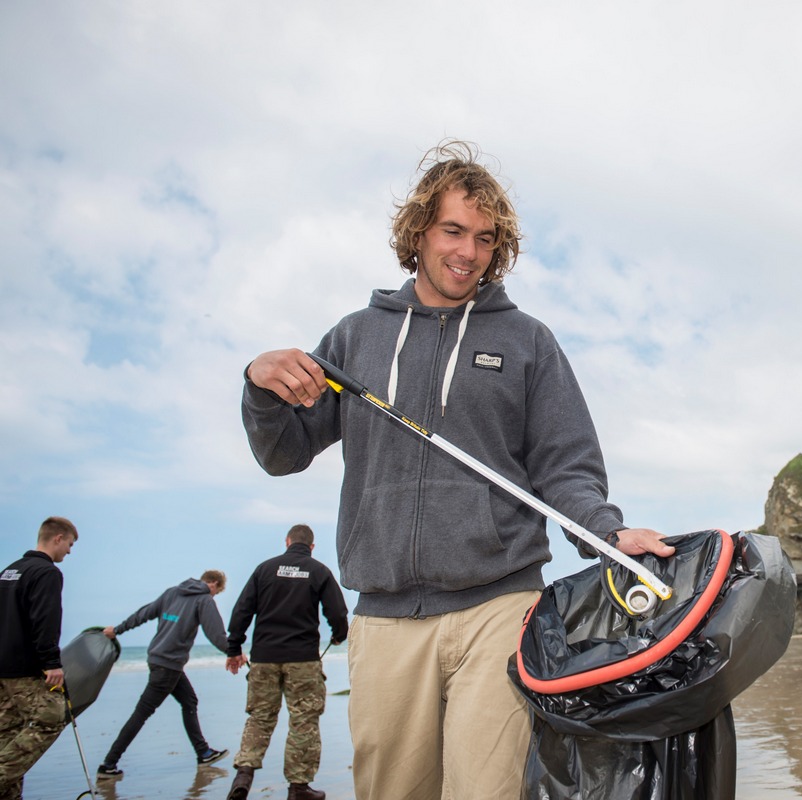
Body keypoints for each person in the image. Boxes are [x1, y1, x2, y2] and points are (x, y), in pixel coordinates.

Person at [240, 140, 675, 800]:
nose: (467, 252)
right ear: (418, 231)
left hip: (500, 603)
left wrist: (607, 535)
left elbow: (567, 468)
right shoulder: (354, 339)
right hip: (384, 618)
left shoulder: (527, 341)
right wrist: (259, 387)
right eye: (452, 230)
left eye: (483, 238)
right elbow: (284, 453)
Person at [223, 524, 349, 800]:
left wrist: (234, 647)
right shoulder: (318, 572)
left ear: (287, 541)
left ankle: (244, 775)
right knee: (304, 720)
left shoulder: (265, 570)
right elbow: (337, 612)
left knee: (260, 717)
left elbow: (242, 610)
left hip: (264, 658)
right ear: (312, 546)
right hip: (302, 659)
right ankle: (298, 788)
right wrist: (339, 636)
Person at [96, 570, 231, 780]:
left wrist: (119, 630)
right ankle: (109, 763)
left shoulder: (172, 593)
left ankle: (203, 752)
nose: (214, 596)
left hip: (160, 661)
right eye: (216, 592)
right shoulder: (204, 600)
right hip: (168, 667)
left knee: (189, 701)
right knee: (141, 713)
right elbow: (215, 634)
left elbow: (144, 614)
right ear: (213, 583)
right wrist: (234, 651)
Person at [0, 517, 77, 800]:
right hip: (24, 670)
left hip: (3, 670)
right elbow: (45, 620)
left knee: (8, 735)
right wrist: (51, 663)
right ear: (57, 538)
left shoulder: (9, 571)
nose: (69, 551)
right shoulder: (46, 573)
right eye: (69, 544)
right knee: (52, 717)